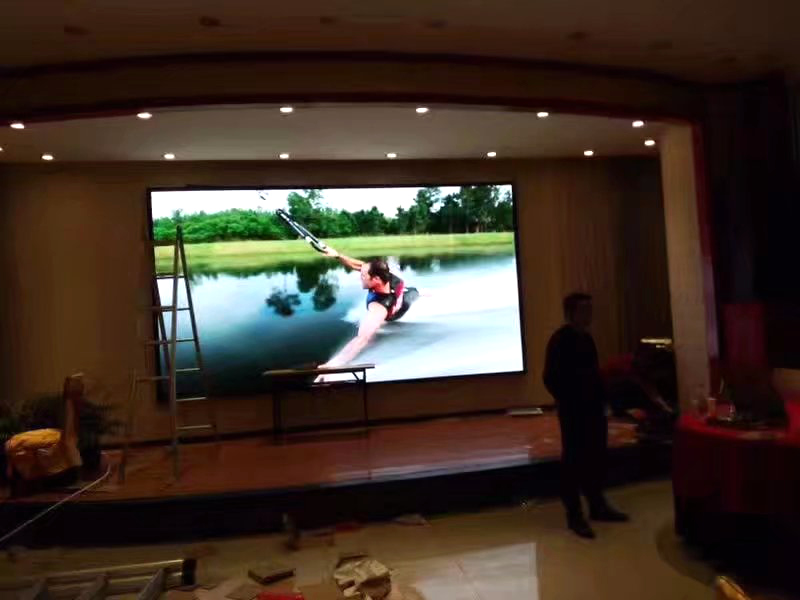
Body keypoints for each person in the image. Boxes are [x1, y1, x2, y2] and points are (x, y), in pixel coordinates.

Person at [543, 293, 629, 539]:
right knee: (573, 460)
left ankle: (597, 505)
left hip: (593, 410)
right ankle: (575, 515)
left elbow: (594, 374)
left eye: (590, 309)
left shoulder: (587, 339)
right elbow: (550, 377)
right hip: (574, 411)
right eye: (584, 310)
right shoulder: (560, 340)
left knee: (596, 458)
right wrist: (569, 400)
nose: (589, 315)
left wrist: (603, 402)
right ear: (570, 313)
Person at [317, 247, 420, 370]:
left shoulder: (379, 308)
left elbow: (361, 339)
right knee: (413, 291)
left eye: (363, 276)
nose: (360, 277)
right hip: (402, 293)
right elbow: (358, 265)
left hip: (402, 304)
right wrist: (337, 255)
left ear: (376, 279)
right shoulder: (383, 274)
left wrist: (332, 365)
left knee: (370, 333)